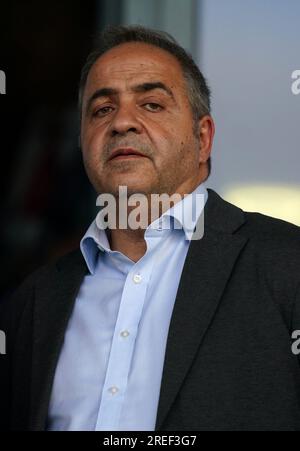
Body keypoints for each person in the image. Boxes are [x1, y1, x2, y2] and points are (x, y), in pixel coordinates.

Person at [0, 25, 300, 431]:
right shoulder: (32, 303)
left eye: (152, 104)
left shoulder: (287, 264)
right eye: (102, 109)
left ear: (203, 138)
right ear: (83, 141)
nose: (123, 121)